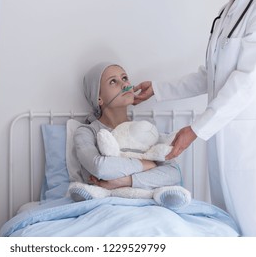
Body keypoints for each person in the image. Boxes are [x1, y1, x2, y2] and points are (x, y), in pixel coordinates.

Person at [133, 0, 256, 236]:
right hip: (224, 145)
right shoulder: (228, 11)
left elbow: (246, 82)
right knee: (229, 230)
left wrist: (194, 130)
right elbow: (210, 75)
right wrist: (157, 89)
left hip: (252, 147)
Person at [70, 62, 191, 209]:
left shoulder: (145, 130)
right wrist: (149, 165)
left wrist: (127, 180)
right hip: (103, 208)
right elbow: (100, 167)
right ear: (99, 98)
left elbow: (173, 173)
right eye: (113, 81)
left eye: (125, 78)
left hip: (147, 207)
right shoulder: (87, 132)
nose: (124, 84)